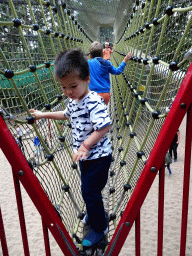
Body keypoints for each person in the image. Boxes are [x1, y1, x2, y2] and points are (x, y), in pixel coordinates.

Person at [29, 49, 112, 248]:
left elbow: (104, 126)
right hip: (85, 157)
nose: (68, 91)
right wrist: (43, 115)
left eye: (73, 86)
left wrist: (85, 145)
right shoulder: (74, 101)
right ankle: (94, 214)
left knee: (89, 191)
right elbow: (66, 114)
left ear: (87, 79)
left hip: (99, 157)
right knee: (88, 191)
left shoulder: (93, 101)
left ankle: (100, 228)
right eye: (64, 87)